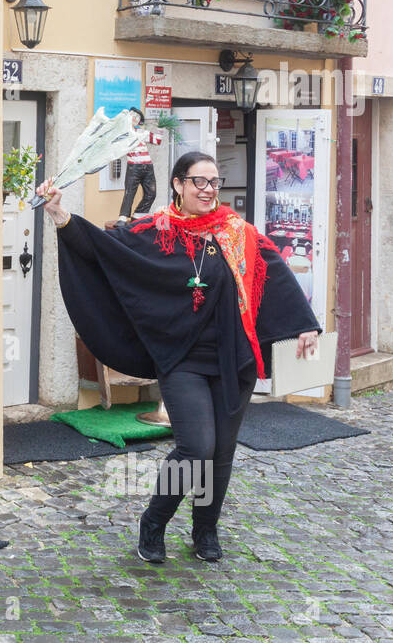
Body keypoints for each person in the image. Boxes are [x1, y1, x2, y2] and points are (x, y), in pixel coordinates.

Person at [38, 151, 320, 563]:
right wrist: (62, 216)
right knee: (197, 447)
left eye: (214, 183)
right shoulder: (155, 231)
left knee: (221, 453)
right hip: (181, 359)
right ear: (177, 184)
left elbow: (273, 271)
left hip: (232, 358)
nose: (208, 191)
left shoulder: (237, 233)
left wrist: (305, 323)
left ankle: (205, 531)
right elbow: (104, 248)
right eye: (198, 182)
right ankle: (153, 523)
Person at [117, 109, 163, 222]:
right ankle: (123, 218)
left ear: (140, 121)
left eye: (137, 117)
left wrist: (160, 127)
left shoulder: (143, 132)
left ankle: (138, 215)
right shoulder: (123, 134)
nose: (134, 118)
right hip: (134, 166)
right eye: (132, 115)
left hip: (148, 166)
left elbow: (157, 140)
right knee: (129, 192)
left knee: (151, 193)